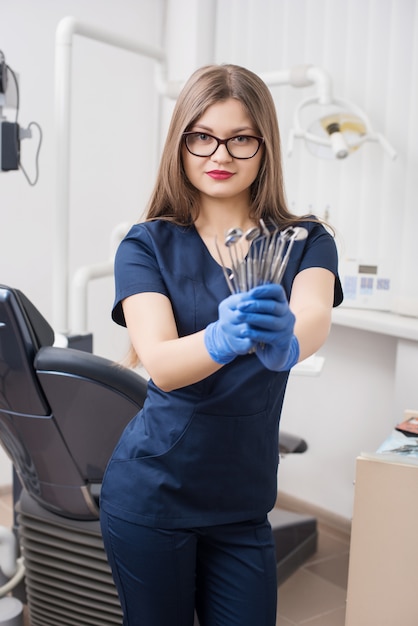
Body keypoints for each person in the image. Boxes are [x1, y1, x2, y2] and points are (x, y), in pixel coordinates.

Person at [100, 63, 343, 626]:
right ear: (181, 144)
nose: (221, 155)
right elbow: (160, 364)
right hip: (153, 493)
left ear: (264, 147)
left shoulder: (305, 240)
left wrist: (288, 341)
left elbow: (313, 316)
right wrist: (219, 337)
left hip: (242, 503)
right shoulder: (146, 245)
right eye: (202, 137)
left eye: (240, 139)